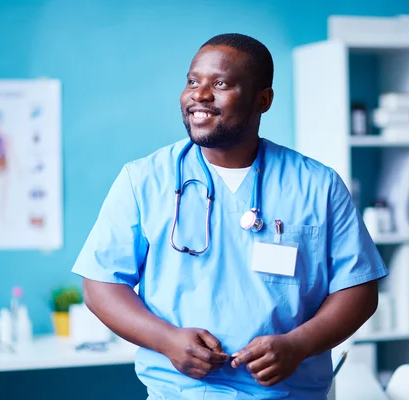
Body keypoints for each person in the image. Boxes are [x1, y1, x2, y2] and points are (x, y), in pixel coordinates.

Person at [72, 33, 388, 399]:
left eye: (220, 83)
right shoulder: (144, 180)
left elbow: (359, 290)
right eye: (193, 81)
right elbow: (100, 285)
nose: (199, 95)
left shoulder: (318, 185)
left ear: (263, 100)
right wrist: (167, 340)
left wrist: (298, 345)